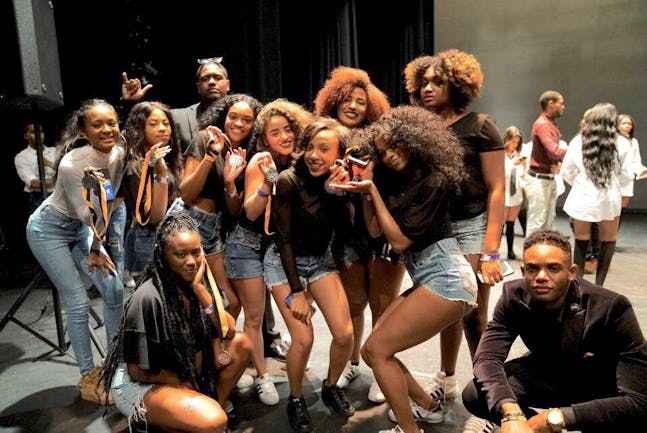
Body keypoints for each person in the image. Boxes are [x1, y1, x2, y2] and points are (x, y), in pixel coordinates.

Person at [333, 105, 477, 433]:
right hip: (430, 276)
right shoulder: (397, 184)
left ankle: (409, 429)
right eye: (383, 152)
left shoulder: (435, 181)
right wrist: (366, 190)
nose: (390, 155)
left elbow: (398, 243)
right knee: (372, 351)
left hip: (448, 278)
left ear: (413, 141)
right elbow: (374, 231)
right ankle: (428, 407)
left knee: (378, 350)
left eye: (395, 146)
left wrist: (372, 192)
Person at [461, 229, 647, 433]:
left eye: (553, 268)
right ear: (523, 271)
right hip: (550, 374)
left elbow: (639, 400)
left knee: (631, 416)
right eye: (533, 268)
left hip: (600, 389)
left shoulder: (612, 307)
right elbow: (487, 358)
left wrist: (557, 418)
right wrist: (511, 412)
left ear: (572, 272)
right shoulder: (513, 296)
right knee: (476, 393)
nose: (541, 276)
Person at [404, 49, 505, 402]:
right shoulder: (419, 128)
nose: (428, 88)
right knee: (447, 307)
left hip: (471, 227)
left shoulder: (480, 126)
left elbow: (497, 189)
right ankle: (446, 378)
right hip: (432, 230)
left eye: (437, 82)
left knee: (473, 314)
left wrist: (491, 252)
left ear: (458, 84)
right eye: (424, 82)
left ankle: (488, 391)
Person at [100, 211, 252, 433]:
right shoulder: (148, 298)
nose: (191, 261)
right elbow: (137, 371)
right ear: (163, 255)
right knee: (214, 420)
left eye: (196, 252)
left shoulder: (197, 281)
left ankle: (198, 417)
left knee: (241, 344)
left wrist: (201, 291)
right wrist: (184, 381)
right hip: (142, 382)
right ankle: (196, 419)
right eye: (180, 254)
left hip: (179, 367)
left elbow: (227, 331)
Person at [25, 99, 126, 404]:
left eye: (111, 122)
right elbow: (88, 214)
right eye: (97, 125)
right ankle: (87, 374)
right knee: (78, 300)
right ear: (83, 131)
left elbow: (107, 202)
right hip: (49, 230)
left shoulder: (119, 153)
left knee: (114, 288)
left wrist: (97, 244)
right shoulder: (72, 164)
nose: (106, 129)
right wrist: (96, 246)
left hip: (83, 229)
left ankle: (115, 363)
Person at [314, 66, 401, 403]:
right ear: (334, 102)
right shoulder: (323, 138)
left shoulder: (380, 139)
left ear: (371, 107)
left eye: (361, 102)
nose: (353, 106)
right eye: (347, 100)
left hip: (380, 230)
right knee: (354, 305)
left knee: (383, 305)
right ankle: (353, 363)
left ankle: (381, 370)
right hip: (345, 234)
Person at [264, 117, 355, 433]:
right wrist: (297, 291)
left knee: (345, 334)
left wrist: (341, 193)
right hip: (282, 262)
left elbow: (345, 230)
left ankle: (330, 386)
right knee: (303, 339)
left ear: (338, 155)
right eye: (310, 147)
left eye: (324, 149)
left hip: (319, 261)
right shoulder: (288, 180)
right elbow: (283, 238)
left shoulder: (336, 183)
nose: (315, 155)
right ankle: (296, 398)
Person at [224, 98, 313, 406]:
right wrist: (267, 181)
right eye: (275, 132)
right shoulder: (261, 161)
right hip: (246, 246)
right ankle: (262, 376)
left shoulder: (300, 161)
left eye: (288, 129)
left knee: (301, 310)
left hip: (276, 249)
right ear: (264, 137)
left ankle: (291, 357)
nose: (284, 136)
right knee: (254, 316)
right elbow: (250, 212)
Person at [560, 103, 632, 286]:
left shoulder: (578, 141)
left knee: (581, 242)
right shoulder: (623, 143)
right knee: (608, 241)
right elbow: (626, 175)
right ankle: (599, 286)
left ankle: (577, 285)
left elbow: (567, 171)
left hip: (582, 195)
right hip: (609, 197)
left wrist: (580, 182)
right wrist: (614, 184)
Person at [122, 101, 184, 283]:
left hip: (174, 238)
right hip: (149, 242)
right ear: (140, 129)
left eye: (166, 123)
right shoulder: (135, 168)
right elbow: (154, 217)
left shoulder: (173, 161)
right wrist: (161, 175)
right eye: (153, 124)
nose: (162, 129)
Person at [120, 58, 230, 151]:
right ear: (198, 87)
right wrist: (132, 104)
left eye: (218, 78)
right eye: (205, 79)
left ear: (228, 84)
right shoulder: (178, 117)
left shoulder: (238, 120)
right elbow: (133, 135)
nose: (211, 82)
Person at [525, 90, 567, 235]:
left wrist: (559, 162)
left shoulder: (548, 124)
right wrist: (574, 150)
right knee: (537, 223)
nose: (563, 107)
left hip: (546, 178)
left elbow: (552, 154)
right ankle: (531, 251)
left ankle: (542, 250)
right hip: (539, 181)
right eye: (561, 103)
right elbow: (554, 151)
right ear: (551, 104)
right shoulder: (543, 125)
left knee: (547, 223)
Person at [14, 122, 58, 212]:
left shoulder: (54, 151)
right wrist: (57, 179)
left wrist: (49, 163)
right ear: (26, 136)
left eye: (40, 131)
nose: (38, 135)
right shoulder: (22, 157)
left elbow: (66, 173)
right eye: (34, 132)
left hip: (58, 195)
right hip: (38, 198)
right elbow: (34, 184)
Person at [617, 113, 647, 223]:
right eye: (624, 123)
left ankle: (614, 232)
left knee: (621, 210)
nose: (627, 126)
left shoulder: (634, 142)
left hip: (628, 179)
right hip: (615, 178)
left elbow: (635, 161)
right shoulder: (613, 140)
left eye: (630, 124)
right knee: (611, 211)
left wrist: (642, 171)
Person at [502, 126, 526, 260]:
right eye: (513, 142)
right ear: (507, 140)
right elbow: (500, 173)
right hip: (503, 193)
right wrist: (513, 165)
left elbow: (522, 176)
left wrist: (523, 168)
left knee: (511, 224)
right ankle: (494, 253)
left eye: (517, 142)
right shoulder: (500, 154)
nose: (515, 145)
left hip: (516, 194)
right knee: (500, 226)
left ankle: (510, 252)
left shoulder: (519, 155)